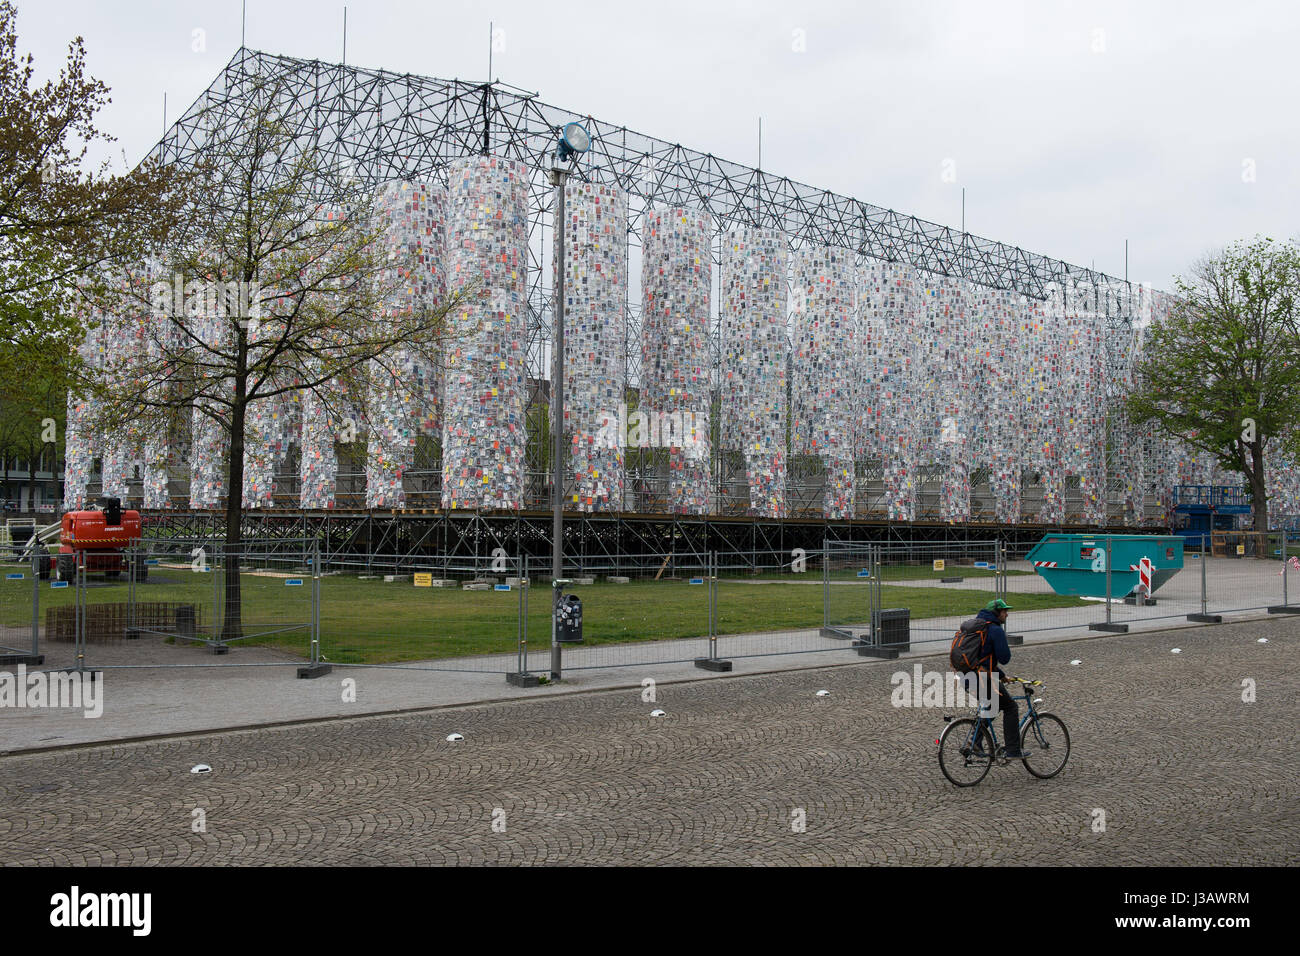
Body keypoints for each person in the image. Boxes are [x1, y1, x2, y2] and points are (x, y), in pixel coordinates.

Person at [960, 598, 1025, 758]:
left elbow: (983, 660)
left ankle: (975, 741)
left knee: (993, 706)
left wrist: (1002, 676)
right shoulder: (995, 630)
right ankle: (1013, 750)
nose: (1007, 615)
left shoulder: (976, 627)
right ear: (997, 613)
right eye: (1005, 611)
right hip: (981, 679)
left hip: (965, 677)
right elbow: (1004, 658)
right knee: (1010, 707)